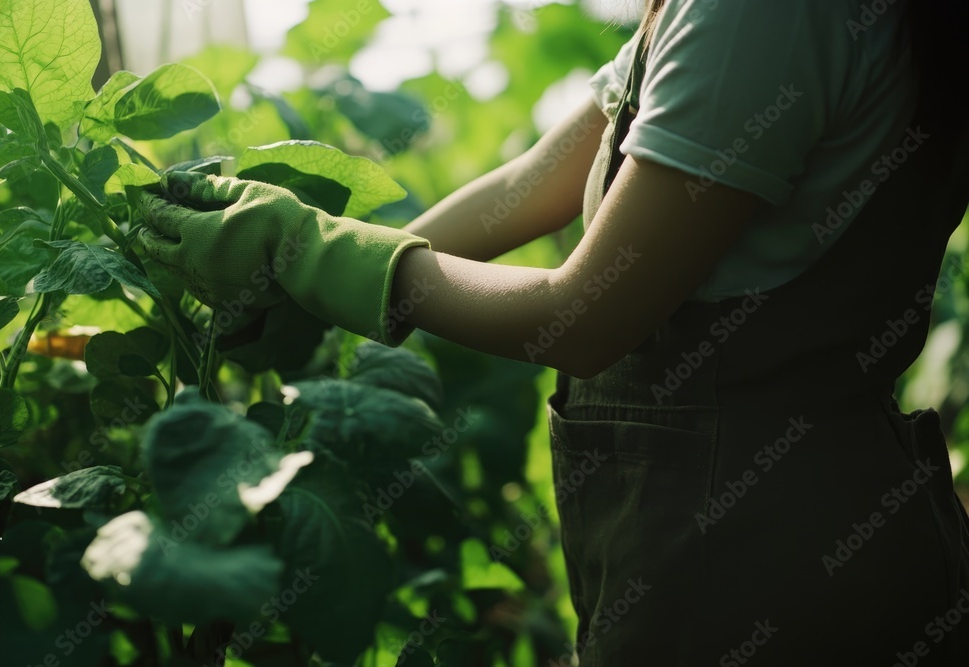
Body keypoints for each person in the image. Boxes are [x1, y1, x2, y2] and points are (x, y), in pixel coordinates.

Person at [138, 0, 969, 663]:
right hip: (793, 524)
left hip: (747, 562)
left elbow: (583, 317)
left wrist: (308, 251)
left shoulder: (764, 15)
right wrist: (299, 277)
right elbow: (536, 179)